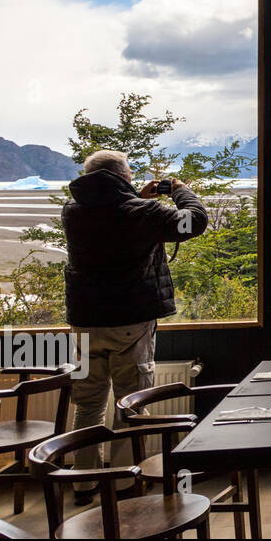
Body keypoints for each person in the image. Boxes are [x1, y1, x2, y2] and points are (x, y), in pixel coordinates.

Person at [61, 149, 208, 505]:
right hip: (129, 321)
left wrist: (134, 197)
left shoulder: (73, 211)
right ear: (123, 177)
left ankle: (84, 484)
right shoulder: (143, 212)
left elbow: (112, 215)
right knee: (131, 406)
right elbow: (195, 221)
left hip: (83, 322)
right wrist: (179, 189)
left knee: (88, 405)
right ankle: (127, 484)